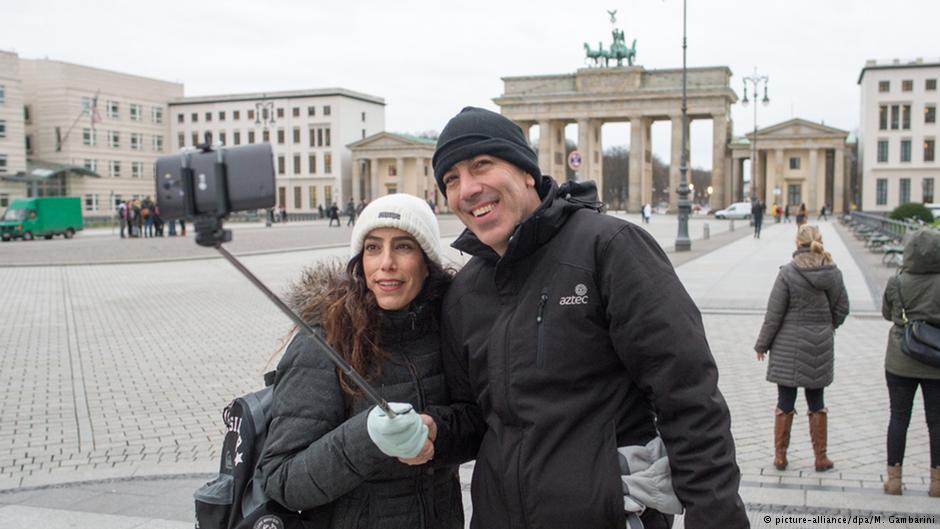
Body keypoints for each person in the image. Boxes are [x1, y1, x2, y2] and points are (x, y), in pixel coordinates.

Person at [415, 106, 748, 528]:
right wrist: (436, 434)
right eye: (451, 179)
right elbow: (474, 418)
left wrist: (716, 517)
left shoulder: (610, 249)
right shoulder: (465, 292)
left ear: (526, 172)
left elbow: (688, 397)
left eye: (482, 165)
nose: (467, 188)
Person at [259, 193, 474, 528]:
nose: (386, 262)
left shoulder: (448, 326)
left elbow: (477, 422)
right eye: (373, 247)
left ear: (426, 261)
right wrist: (367, 437)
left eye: (403, 246)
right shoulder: (325, 340)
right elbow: (282, 480)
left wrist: (436, 432)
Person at [754, 224, 849, 473]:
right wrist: (827, 325)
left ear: (797, 243)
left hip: (788, 347)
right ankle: (820, 458)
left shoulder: (788, 272)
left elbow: (774, 314)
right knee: (816, 400)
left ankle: (780, 457)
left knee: (785, 400)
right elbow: (842, 308)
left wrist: (762, 344)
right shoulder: (832, 272)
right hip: (821, 345)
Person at [880, 228, 940, 496]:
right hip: (936, 359)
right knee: (937, 422)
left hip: (900, 357)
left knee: (899, 417)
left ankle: (894, 480)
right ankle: (937, 482)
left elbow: (887, 313)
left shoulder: (897, 281)